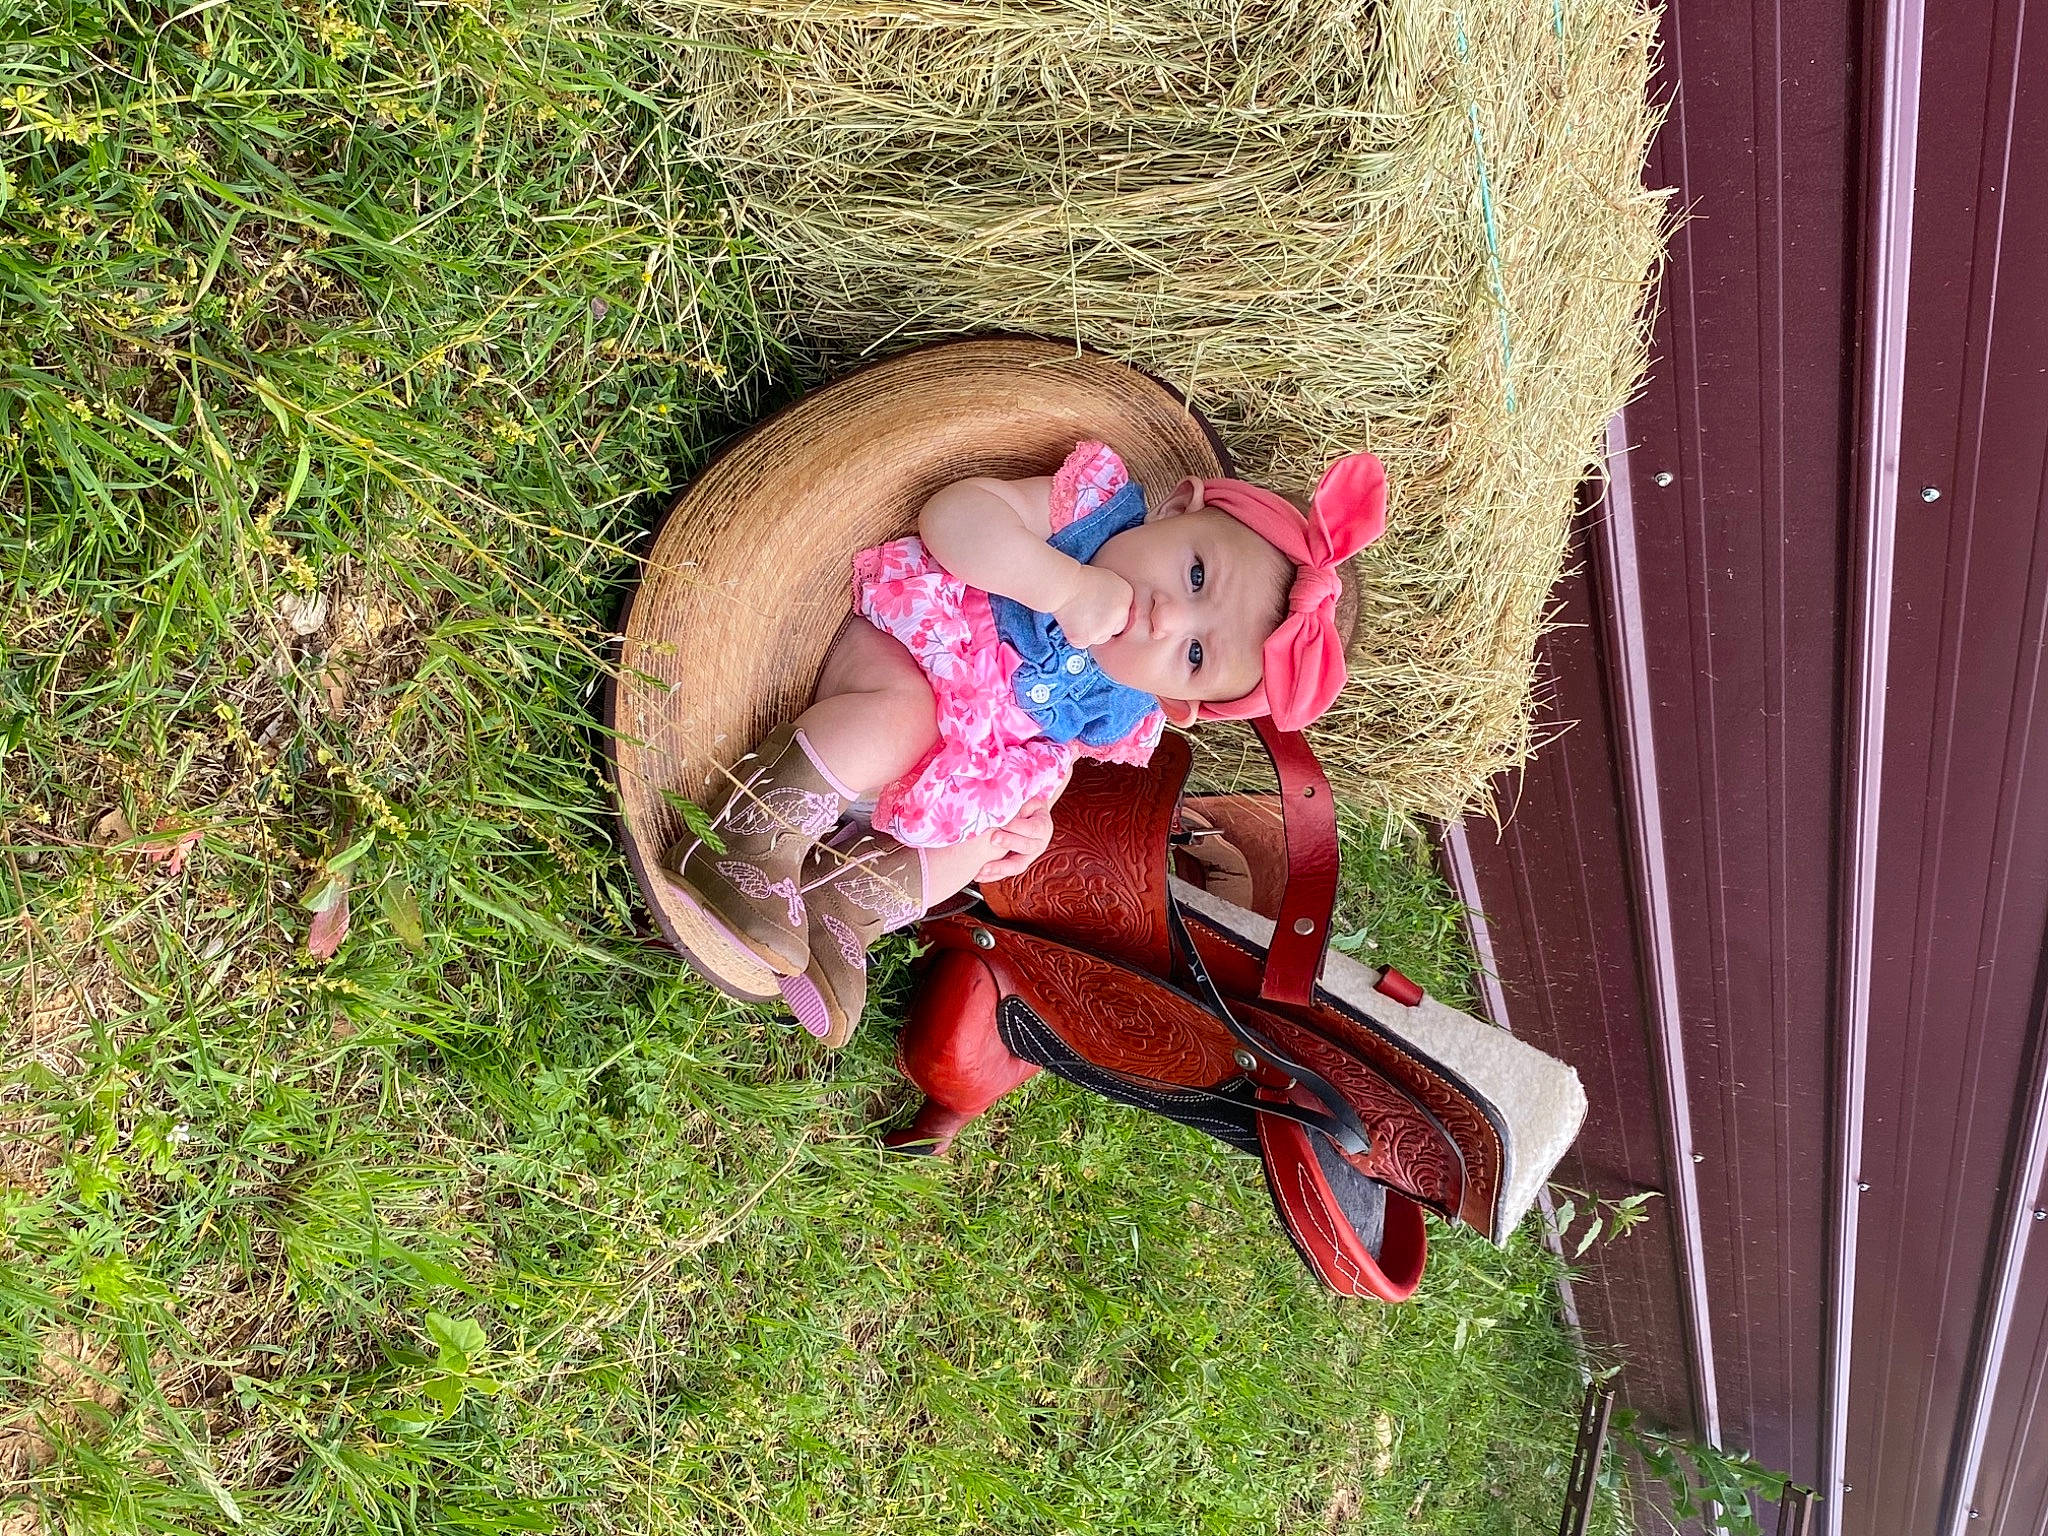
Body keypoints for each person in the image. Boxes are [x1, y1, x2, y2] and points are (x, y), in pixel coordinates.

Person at [661, 439, 1385, 1046]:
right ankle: (742, 840)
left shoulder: (1128, 706)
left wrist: (1032, 816)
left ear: (1180, 702)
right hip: (909, 652)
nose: (1168, 619)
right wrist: (1062, 585)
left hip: (946, 768)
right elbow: (957, 517)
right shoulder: (1088, 512)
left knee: (981, 838)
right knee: (906, 717)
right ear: (1175, 507)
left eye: (1194, 655)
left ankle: (838, 910)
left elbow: (1054, 751)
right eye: (1195, 574)